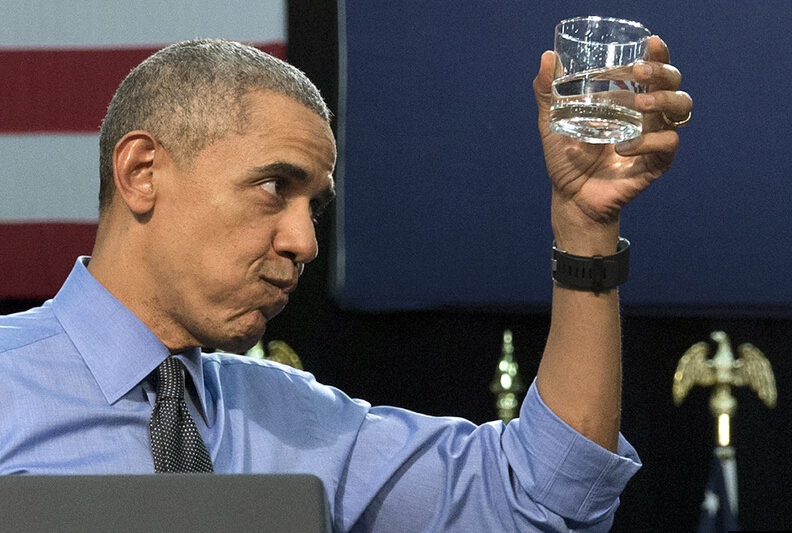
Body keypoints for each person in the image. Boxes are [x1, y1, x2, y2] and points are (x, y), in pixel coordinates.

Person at [0, 38, 692, 532]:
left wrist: (584, 226)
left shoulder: (299, 421)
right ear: (142, 172)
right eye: (275, 186)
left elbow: (543, 498)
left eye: (316, 207)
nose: (304, 242)